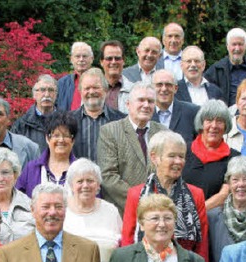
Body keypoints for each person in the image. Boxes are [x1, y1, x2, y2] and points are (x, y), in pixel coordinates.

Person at [122, 130, 209, 262]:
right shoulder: (136, 194)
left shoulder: (196, 195)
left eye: (181, 156)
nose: (178, 161)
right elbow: (128, 238)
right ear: (154, 157)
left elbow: (201, 244)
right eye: (172, 156)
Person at [98, 81, 166, 215]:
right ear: (128, 104)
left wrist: (156, 203)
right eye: (141, 100)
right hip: (122, 212)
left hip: (158, 212)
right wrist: (141, 200)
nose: (146, 105)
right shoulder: (110, 131)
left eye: (151, 101)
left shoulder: (164, 133)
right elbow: (108, 175)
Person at [207, 156, 246, 262]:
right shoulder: (213, 216)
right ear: (229, 184)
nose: (241, 184)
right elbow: (204, 253)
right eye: (235, 180)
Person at [182, 99, 239, 210]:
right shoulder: (183, 151)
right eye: (209, 120)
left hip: (213, 220)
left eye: (220, 121)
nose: (214, 126)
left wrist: (195, 214)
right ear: (201, 123)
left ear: (226, 126)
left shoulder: (234, 159)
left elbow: (223, 196)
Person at [16, 111, 78, 198]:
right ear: (47, 138)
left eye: (66, 135)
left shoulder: (81, 170)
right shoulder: (31, 169)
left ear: (73, 140)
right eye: (56, 135)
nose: (61, 140)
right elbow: (17, 198)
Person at [70, 67, 123, 162]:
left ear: (105, 90)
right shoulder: (67, 121)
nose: (91, 92)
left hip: (111, 176)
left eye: (96, 87)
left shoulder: (122, 120)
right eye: (87, 88)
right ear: (80, 92)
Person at [205, 28, 246, 106]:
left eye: (240, 44)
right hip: (224, 115)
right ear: (227, 46)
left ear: (245, 46)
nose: (237, 48)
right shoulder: (215, 70)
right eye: (234, 44)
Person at [151, 69, 199, 145]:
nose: (164, 89)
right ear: (152, 88)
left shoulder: (192, 112)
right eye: (159, 85)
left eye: (168, 85)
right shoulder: (145, 113)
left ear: (175, 88)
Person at [11, 75, 59, 152]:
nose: (46, 94)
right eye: (42, 90)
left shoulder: (66, 122)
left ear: (56, 94)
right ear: (34, 95)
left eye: (51, 90)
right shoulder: (21, 125)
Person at [56, 42, 94, 111]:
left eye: (85, 56)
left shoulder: (99, 82)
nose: (81, 59)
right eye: (77, 56)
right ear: (71, 59)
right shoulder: (61, 84)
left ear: (91, 59)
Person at [99, 40, 128, 112]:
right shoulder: (92, 90)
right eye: (109, 58)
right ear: (101, 62)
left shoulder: (133, 90)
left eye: (117, 58)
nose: (113, 62)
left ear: (123, 61)